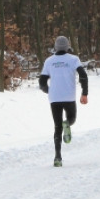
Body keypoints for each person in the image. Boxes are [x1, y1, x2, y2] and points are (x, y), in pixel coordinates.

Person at [39, 35, 89, 167]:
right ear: (68, 47)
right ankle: (67, 123)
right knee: (71, 119)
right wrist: (84, 93)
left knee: (57, 127)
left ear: (55, 47)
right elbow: (83, 75)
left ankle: (58, 157)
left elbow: (42, 81)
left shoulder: (49, 61)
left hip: (54, 98)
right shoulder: (73, 59)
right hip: (69, 97)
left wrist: (48, 91)